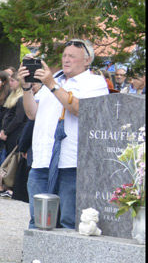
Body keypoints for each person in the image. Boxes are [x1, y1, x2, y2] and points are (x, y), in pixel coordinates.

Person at [20, 39, 108, 230]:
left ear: (87, 60)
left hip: (71, 162)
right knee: (38, 219)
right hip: (42, 159)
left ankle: (66, 259)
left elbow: (78, 108)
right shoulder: (55, 80)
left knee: (69, 220)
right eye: (64, 56)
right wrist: (26, 87)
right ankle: (37, 258)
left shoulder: (94, 82)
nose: (66, 60)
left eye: (72, 57)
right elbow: (32, 113)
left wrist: (51, 84)